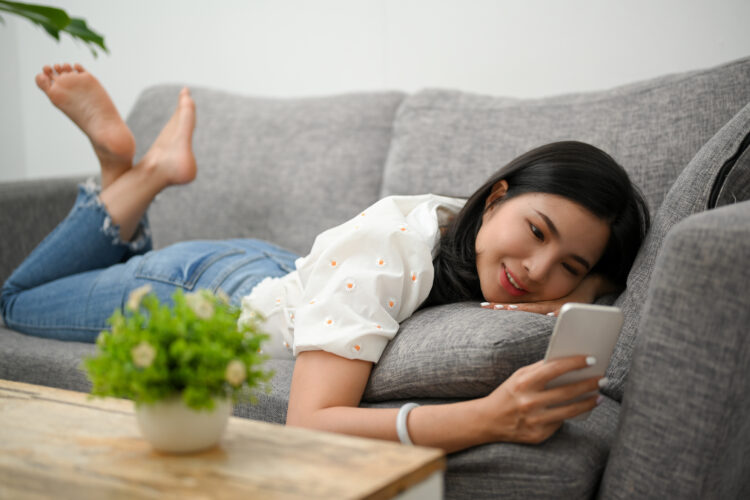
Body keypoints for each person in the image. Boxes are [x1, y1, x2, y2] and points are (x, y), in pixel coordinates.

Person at [1, 64, 650, 454]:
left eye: (569, 266)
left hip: (273, 276)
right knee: (15, 301)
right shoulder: (390, 248)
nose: (537, 270)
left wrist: (572, 298)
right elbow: (309, 420)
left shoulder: (467, 246)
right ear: (497, 197)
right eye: (536, 231)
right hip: (201, 290)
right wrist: (487, 417)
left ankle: (121, 173)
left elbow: (566, 286)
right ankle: (141, 174)